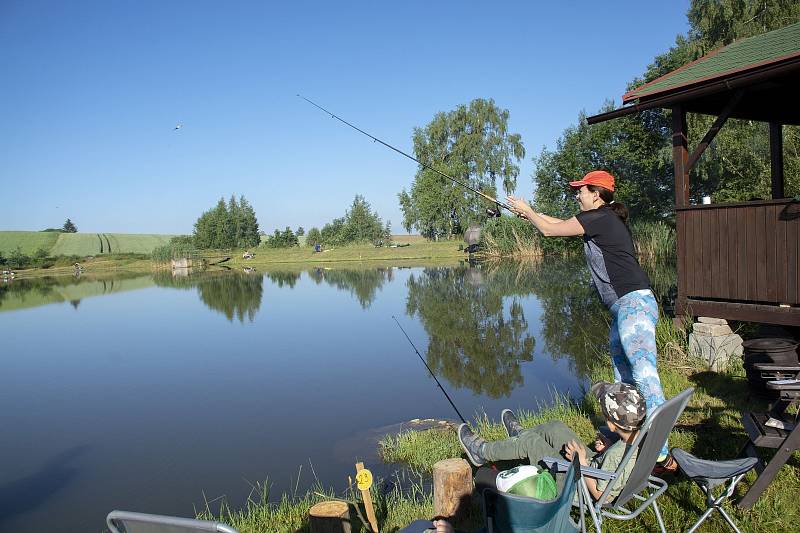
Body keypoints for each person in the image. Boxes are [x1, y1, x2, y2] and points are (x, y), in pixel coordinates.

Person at [505, 170, 675, 470]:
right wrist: (529, 214)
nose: (577, 194)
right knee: (623, 376)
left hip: (633, 303)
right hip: (624, 307)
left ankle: (660, 453)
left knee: (644, 373)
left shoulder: (602, 218)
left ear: (596, 194)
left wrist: (530, 211)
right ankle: (625, 435)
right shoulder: (599, 219)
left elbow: (549, 231)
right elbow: (555, 224)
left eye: (581, 190)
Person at [459, 381, 646, 502]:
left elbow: (600, 495)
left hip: (577, 486)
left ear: (611, 423)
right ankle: (519, 437)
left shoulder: (615, 457)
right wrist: (607, 446)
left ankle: (481, 452)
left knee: (530, 443)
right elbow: (617, 466)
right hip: (596, 467)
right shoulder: (643, 436)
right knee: (555, 428)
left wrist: (580, 462)